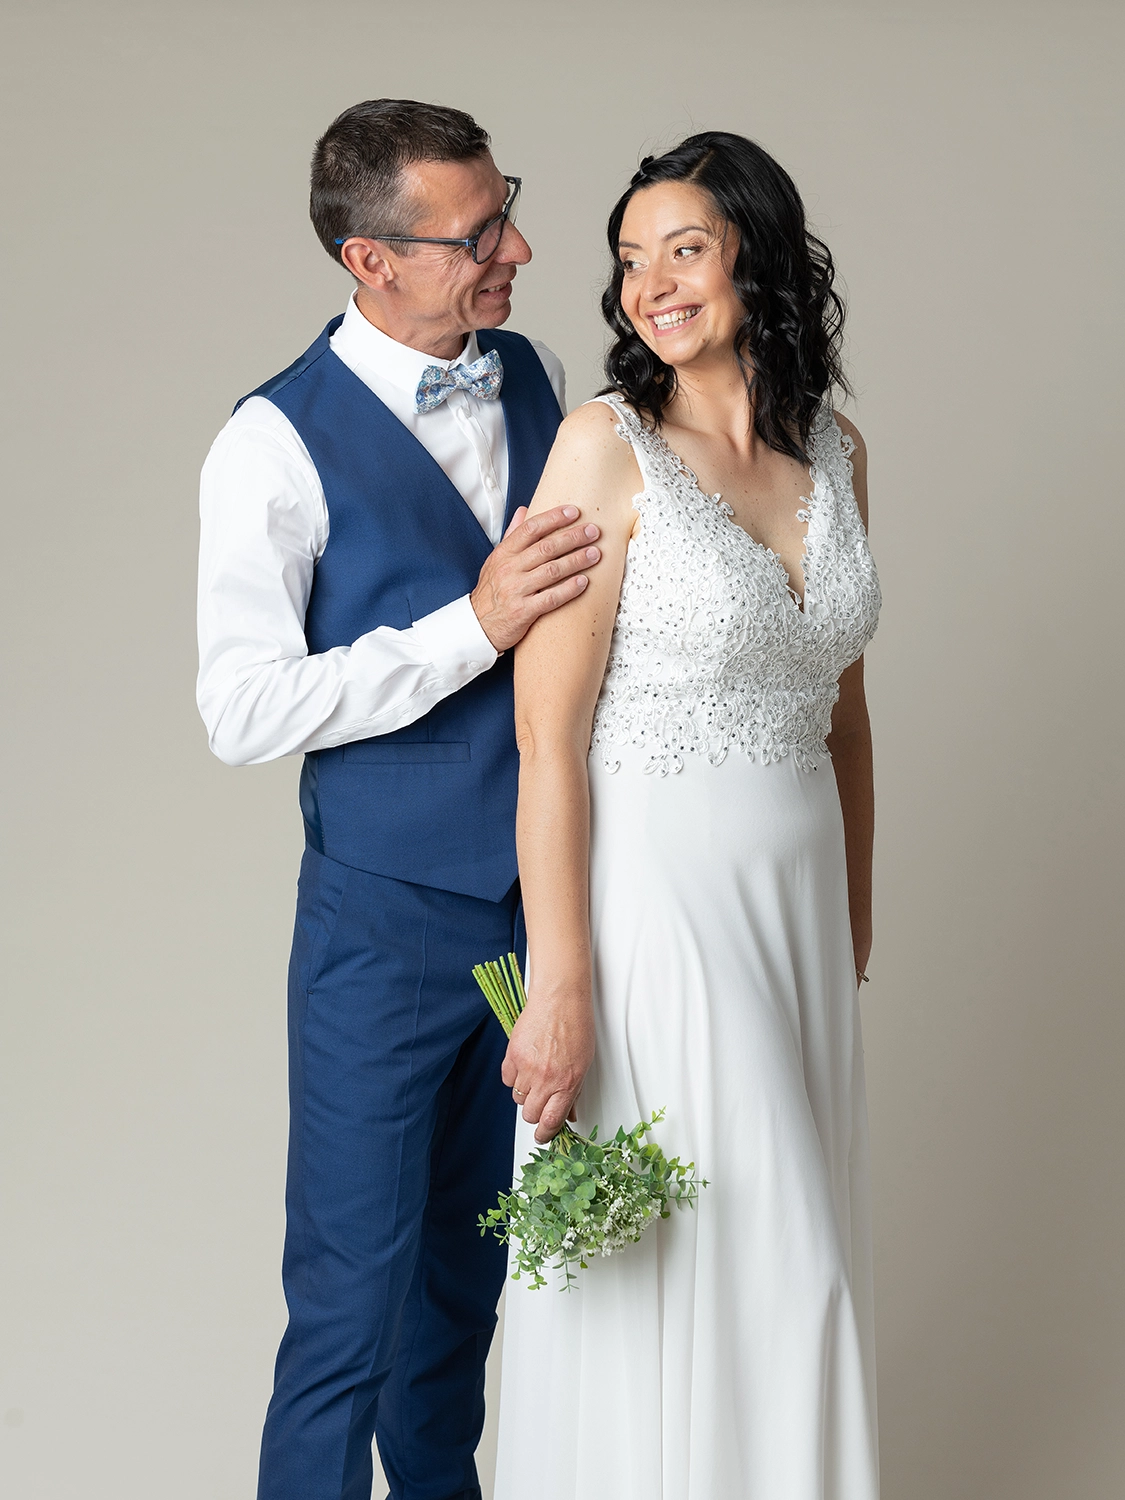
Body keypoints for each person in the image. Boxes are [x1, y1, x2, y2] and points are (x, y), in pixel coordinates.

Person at [196, 99, 604, 1500]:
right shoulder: (271, 442)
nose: (521, 249)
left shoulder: (541, 375)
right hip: (382, 931)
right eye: (479, 233)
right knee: (348, 1321)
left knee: (466, 1304)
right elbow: (238, 710)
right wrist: (464, 629)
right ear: (369, 259)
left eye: (509, 209)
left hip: (539, 927)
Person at [493, 132, 882, 1498]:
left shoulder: (838, 451)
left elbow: (844, 712)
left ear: (756, 258)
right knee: (711, 1256)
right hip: (655, 904)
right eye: (628, 257)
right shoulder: (602, 448)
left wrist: (854, 924)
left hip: (796, 923)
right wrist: (561, 979)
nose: (649, 283)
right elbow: (546, 739)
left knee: (788, 1262)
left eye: (685, 248)